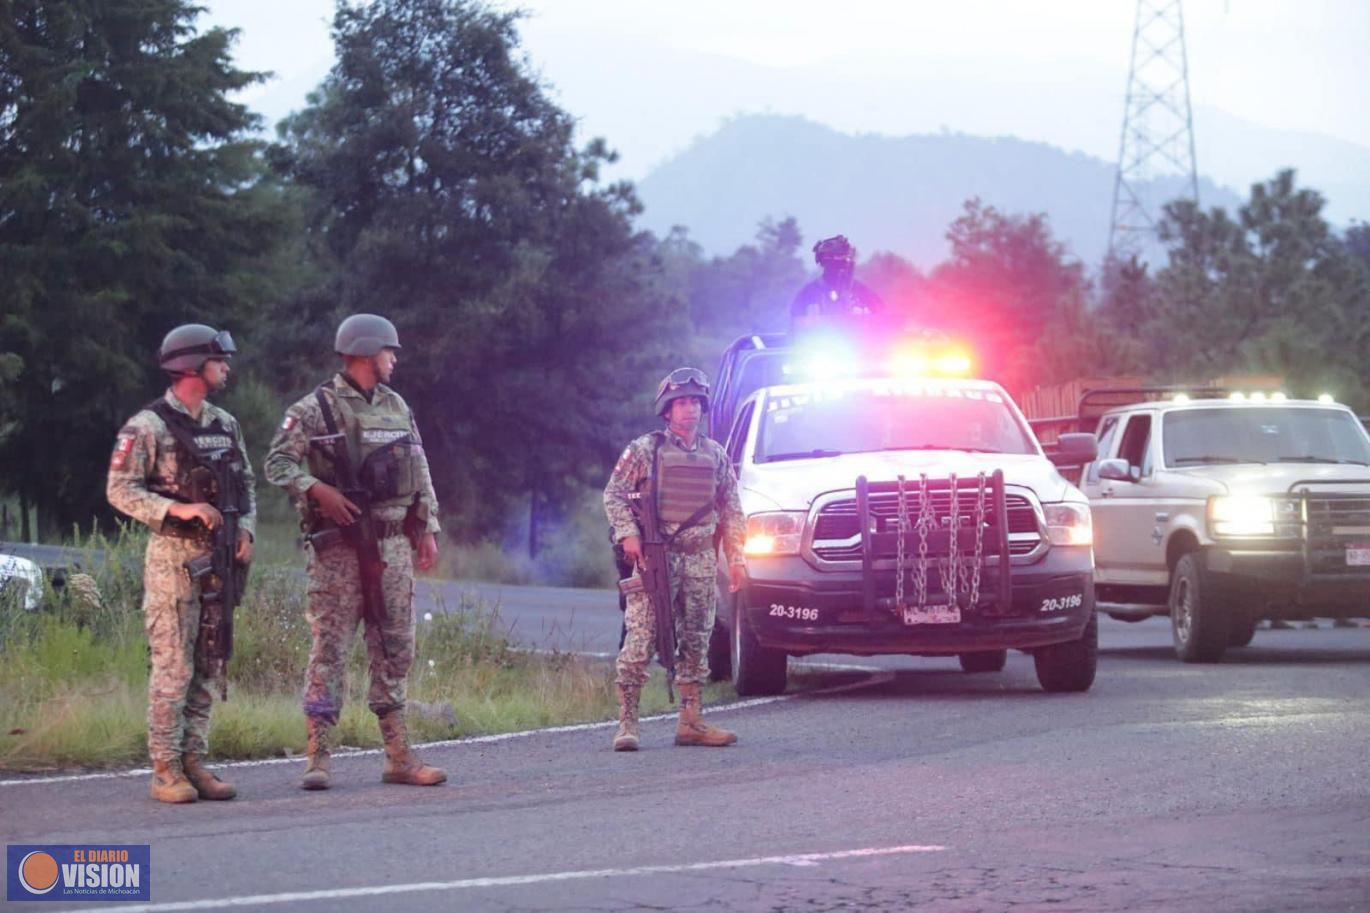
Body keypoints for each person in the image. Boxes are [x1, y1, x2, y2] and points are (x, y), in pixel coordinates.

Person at [264, 313, 445, 790]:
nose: (394, 359)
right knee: (330, 650)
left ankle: (398, 756)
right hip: (340, 550)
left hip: (393, 545)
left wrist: (427, 527)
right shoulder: (314, 409)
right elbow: (277, 462)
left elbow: (419, 468)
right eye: (389, 351)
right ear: (365, 353)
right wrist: (315, 489)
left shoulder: (396, 405)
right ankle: (318, 757)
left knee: (395, 649)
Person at [107, 324, 255, 804]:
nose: (226, 367)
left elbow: (246, 485)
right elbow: (120, 490)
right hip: (173, 560)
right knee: (173, 667)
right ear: (192, 366)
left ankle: (195, 761)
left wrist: (247, 530)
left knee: (210, 660)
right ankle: (165, 768)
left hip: (219, 560)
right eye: (219, 359)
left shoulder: (224, 424)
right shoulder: (146, 427)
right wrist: (177, 510)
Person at [604, 367, 747, 751]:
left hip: (700, 559)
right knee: (641, 639)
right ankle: (627, 724)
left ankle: (691, 721)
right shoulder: (645, 450)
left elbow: (732, 511)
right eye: (681, 403)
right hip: (655, 559)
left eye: (695, 403)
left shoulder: (715, 455)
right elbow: (614, 494)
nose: (689, 411)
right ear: (667, 410)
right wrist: (628, 533)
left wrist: (737, 558)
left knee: (698, 641)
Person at [789, 234, 884, 334]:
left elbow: (882, 314)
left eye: (843, 257)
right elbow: (794, 322)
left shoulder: (859, 290)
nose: (839, 263)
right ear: (823, 261)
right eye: (834, 259)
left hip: (856, 343)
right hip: (820, 344)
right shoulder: (809, 292)